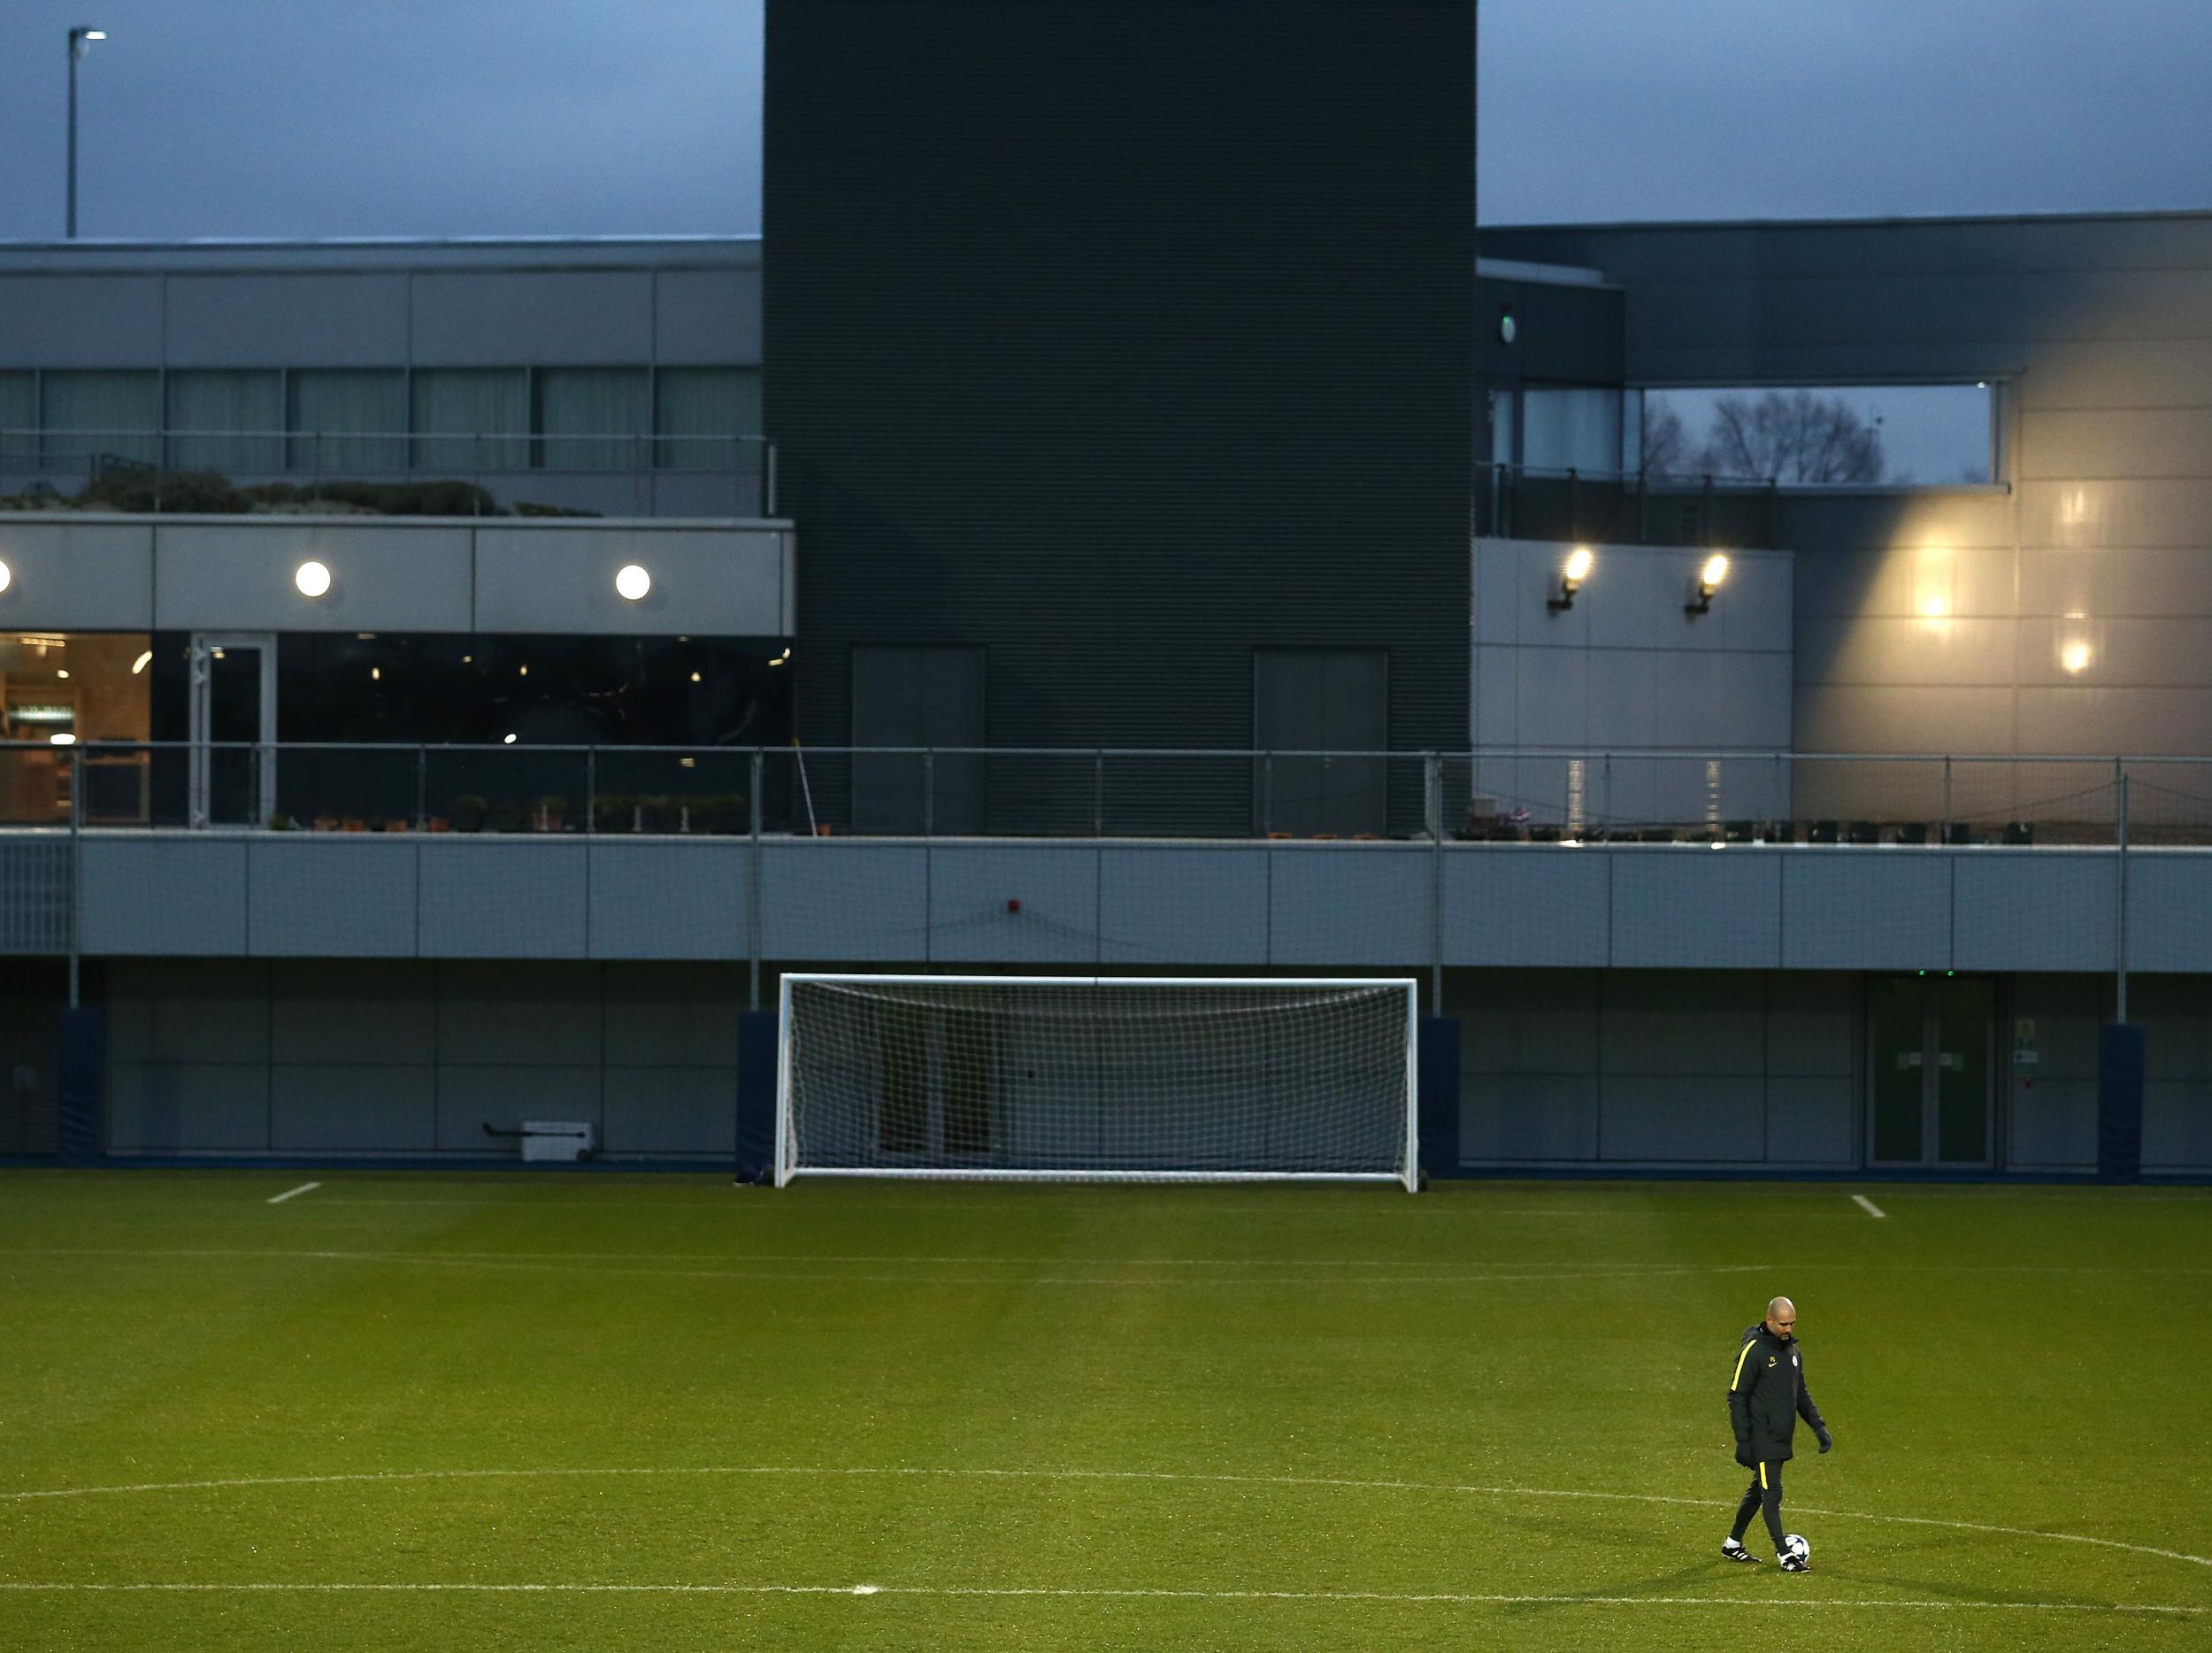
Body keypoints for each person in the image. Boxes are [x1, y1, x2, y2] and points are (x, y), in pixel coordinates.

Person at [1722, 1295, 1832, 1570]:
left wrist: (1818, 1427)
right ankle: (1785, 1555)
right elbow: (1737, 1396)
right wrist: (1743, 1440)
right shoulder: (1755, 1351)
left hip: (1782, 1435)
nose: (1788, 1330)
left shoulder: (1793, 1353)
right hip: (1761, 1435)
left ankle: (1732, 1544)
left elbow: (1801, 1394)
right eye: (1783, 1324)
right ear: (1770, 1320)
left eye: (1792, 1324)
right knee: (1772, 1492)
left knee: (1759, 1491)